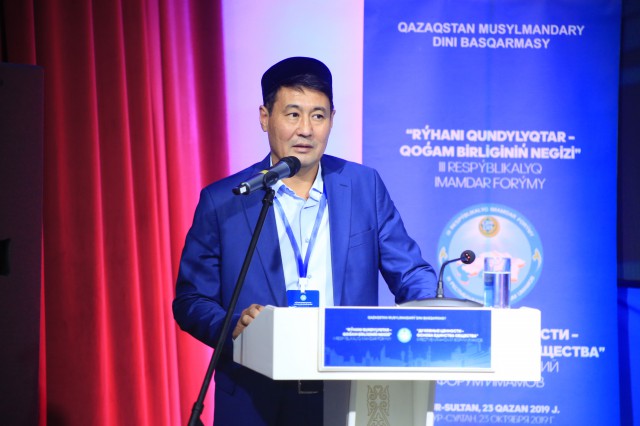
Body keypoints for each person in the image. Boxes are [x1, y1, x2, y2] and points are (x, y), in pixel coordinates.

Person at [173, 56, 437, 426]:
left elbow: (410, 272)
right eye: (293, 114)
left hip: (345, 391)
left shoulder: (363, 186)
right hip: (254, 396)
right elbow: (191, 301)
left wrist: (432, 309)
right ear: (265, 117)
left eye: (318, 116)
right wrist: (233, 326)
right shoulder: (225, 201)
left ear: (332, 119)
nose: (306, 130)